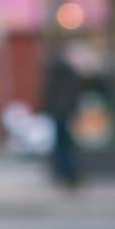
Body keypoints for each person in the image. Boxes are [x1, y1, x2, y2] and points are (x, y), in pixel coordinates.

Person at [41, 42, 87, 189]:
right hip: (64, 112)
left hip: (59, 112)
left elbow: (49, 93)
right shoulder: (68, 72)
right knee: (66, 144)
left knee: (62, 144)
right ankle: (69, 174)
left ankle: (64, 173)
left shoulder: (55, 72)